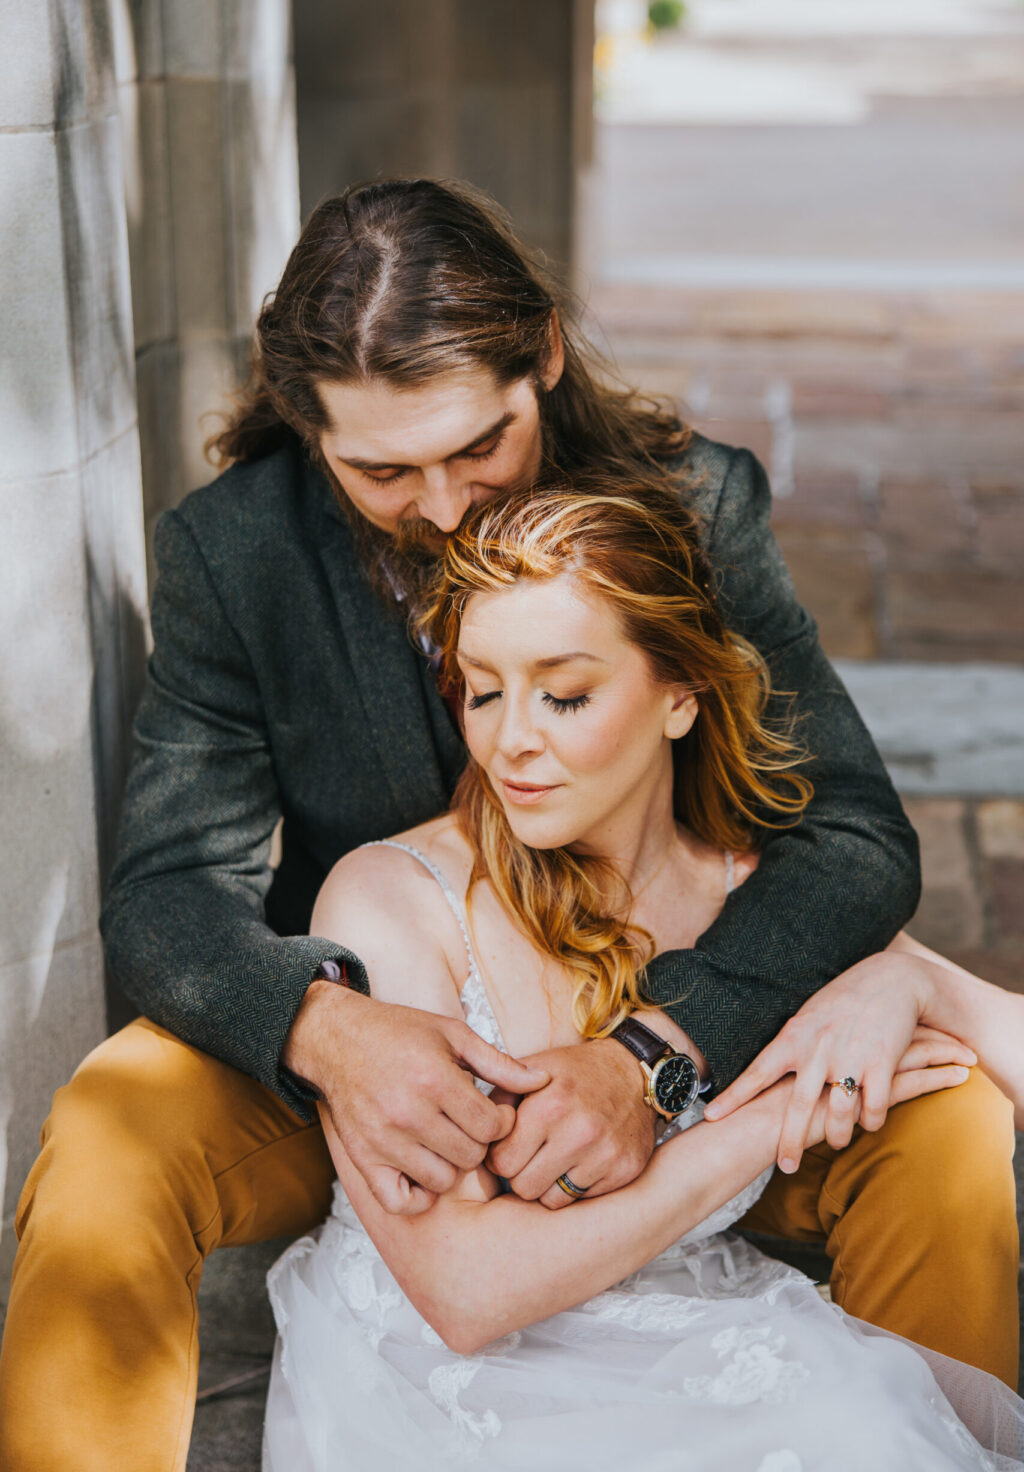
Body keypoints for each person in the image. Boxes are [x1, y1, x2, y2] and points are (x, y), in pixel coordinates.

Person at [0, 179, 1017, 1472]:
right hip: (390, 1059)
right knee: (109, 1132)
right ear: (308, 427)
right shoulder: (236, 554)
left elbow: (856, 836)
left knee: (950, 1132)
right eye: (380, 469)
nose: (442, 506)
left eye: (479, 447)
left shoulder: (692, 507)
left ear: (542, 353)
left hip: (682, 1024)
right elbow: (165, 897)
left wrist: (657, 1055)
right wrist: (331, 1028)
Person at [263, 481, 1024, 1471]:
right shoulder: (392, 901)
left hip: (687, 1338)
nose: (510, 740)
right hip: (432, 1396)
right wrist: (749, 1124)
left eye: (565, 694)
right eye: (482, 690)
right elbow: (462, 1295)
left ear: (679, 694)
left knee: (875, 1430)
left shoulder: (755, 902)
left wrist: (913, 988)